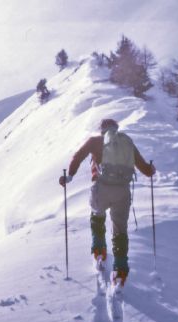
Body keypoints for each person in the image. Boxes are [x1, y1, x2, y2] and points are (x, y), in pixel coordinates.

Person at [59, 118, 155, 285]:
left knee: (97, 215)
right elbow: (146, 170)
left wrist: (69, 176)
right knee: (120, 230)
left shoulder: (95, 141)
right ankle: (120, 269)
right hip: (122, 192)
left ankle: (99, 249)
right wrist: (151, 168)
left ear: (102, 130)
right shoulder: (126, 143)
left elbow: (78, 156)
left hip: (101, 189)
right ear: (116, 129)